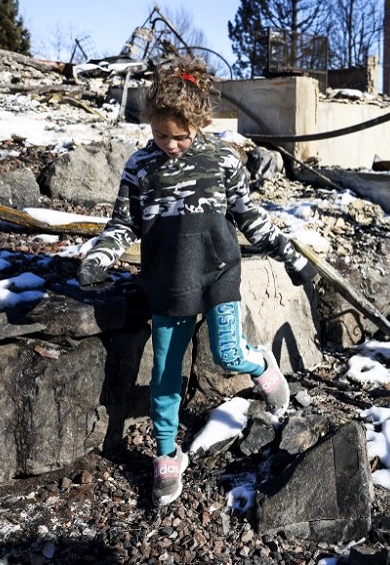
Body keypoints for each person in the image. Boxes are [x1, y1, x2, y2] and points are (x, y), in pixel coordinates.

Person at [77, 55, 317, 507]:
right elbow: (122, 223)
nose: (169, 144)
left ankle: (262, 366)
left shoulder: (223, 161)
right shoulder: (141, 167)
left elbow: (250, 217)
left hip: (218, 275)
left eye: (180, 136)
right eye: (160, 134)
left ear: (201, 123)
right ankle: (166, 456)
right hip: (168, 284)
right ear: (149, 124)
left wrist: (289, 255)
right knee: (166, 376)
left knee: (228, 352)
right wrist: (100, 255)